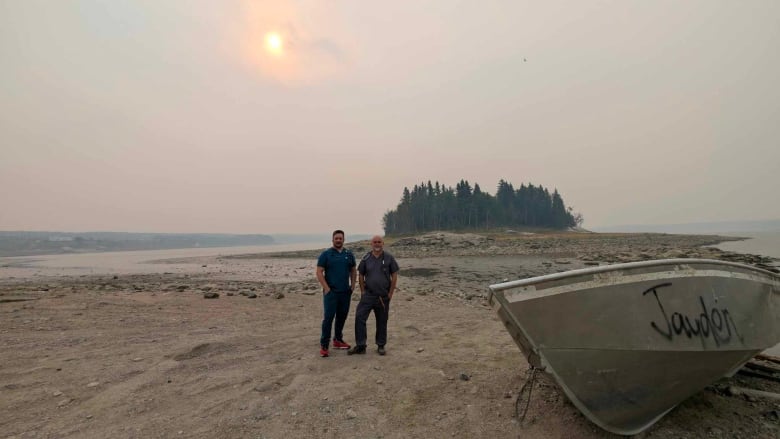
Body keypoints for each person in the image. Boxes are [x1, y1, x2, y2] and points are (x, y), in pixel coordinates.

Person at [349, 235, 399, 356]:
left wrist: (390, 293)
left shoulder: (389, 258)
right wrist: (362, 291)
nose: (377, 244)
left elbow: (394, 275)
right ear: (371, 244)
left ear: (383, 243)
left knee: (382, 321)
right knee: (360, 317)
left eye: (379, 242)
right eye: (375, 242)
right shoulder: (366, 258)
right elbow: (361, 274)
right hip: (368, 295)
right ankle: (361, 346)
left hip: (383, 297)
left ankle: (381, 345)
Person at [316, 230, 357, 358]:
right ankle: (324, 345)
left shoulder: (348, 254)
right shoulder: (326, 254)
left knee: (342, 317)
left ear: (344, 239)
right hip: (331, 293)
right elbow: (319, 272)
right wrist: (326, 288)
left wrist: (353, 285)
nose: (338, 240)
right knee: (328, 318)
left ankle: (338, 340)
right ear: (332, 239)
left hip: (345, 292)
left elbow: (353, 270)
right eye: (336, 238)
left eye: (340, 238)